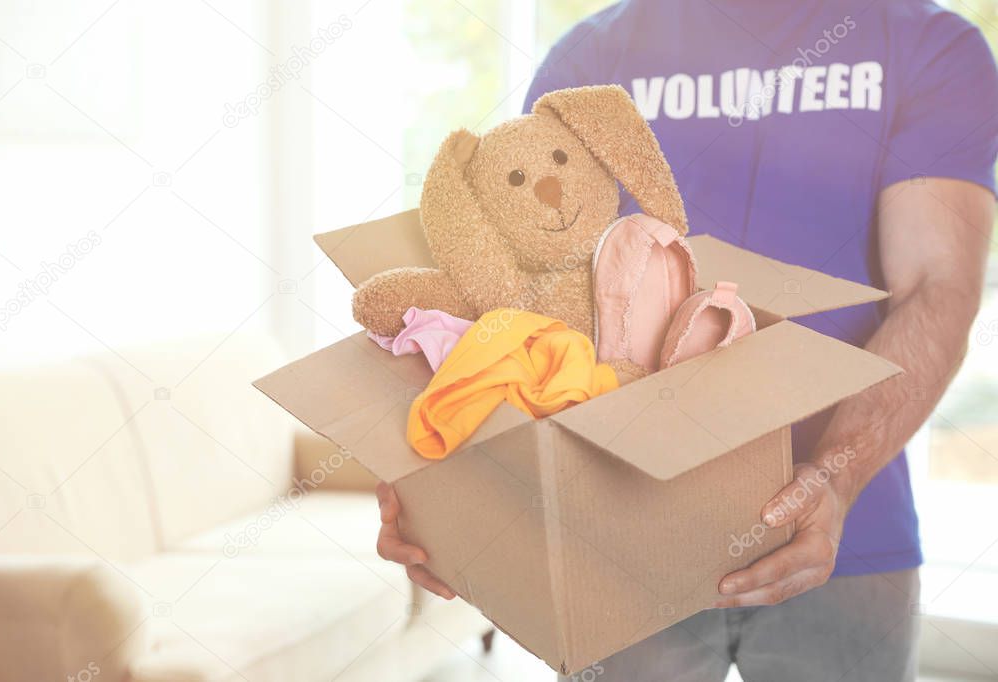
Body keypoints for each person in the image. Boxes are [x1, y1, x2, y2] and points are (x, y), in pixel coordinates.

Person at [376, 1, 998, 679]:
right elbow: (522, 303)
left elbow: (935, 289)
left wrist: (833, 478)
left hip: (846, 533)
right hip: (616, 536)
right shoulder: (590, 58)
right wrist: (444, 484)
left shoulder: (925, 45)